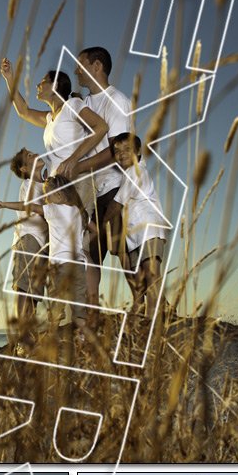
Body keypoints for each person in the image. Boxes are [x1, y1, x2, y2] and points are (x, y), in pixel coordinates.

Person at [59, 46, 132, 306]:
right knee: (91, 252)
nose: (76, 70)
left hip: (115, 187)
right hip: (93, 191)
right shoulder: (84, 103)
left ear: (97, 66)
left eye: (81, 65)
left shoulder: (118, 101)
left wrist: (79, 165)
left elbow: (117, 151)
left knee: (124, 251)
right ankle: (91, 313)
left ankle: (152, 308)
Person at [0, 59, 109, 219]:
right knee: (60, 240)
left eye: (43, 82)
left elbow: (101, 127)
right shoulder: (49, 118)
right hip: (55, 186)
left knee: (77, 235)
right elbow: (23, 111)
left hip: (76, 180)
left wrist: (73, 159)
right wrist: (9, 78)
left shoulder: (72, 105)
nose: (38, 85)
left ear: (55, 86)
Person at [0, 173, 92, 337]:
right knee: (79, 306)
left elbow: (27, 206)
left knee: (55, 306)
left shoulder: (54, 209)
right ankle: (85, 338)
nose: (45, 199)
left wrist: (4, 204)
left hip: (59, 264)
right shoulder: (78, 211)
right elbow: (93, 229)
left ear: (59, 194)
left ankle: (52, 338)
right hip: (79, 264)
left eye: (47, 195)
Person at [104, 133, 169, 318]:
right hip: (137, 234)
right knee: (143, 276)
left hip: (149, 228)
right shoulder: (129, 173)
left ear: (138, 152)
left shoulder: (135, 171)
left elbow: (116, 204)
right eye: (117, 151)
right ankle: (156, 312)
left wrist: (102, 223)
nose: (122, 154)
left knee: (151, 273)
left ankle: (152, 317)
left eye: (127, 149)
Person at [3, 147, 49, 351]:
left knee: (34, 291)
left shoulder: (46, 184)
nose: (35, 154)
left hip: (42, 242)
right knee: (23, 288)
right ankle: (22, 339)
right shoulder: (29, 184)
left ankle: (29, 335)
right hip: (28, 238)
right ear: (24, 168)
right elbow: (27, 206)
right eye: (30, 156)